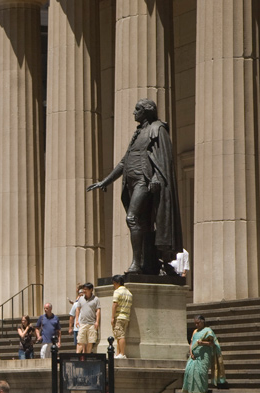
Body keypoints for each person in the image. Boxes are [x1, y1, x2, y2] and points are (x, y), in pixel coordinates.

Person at [87, 98, 183, 275]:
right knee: (143, 223)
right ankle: (149, 262)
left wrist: (155, 177)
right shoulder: (138, 133)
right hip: (131, 182)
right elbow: (124, 162)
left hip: (144, 181)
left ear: (146, 111)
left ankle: (136, 264)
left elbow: (164, 159)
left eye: (137, 109)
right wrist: (105, 181)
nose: (134, 112)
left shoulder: (158, 129)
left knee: (132, 218)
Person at [111, 275, 133, 359]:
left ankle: (122, 354)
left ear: (117, 283)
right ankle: (118, 353)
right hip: (126, 316)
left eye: (114, 283)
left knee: (120, 336)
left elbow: (115, 304)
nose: (113, 285)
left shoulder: (117, 292)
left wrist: (112, 317)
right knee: (118, 335)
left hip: (119, 316)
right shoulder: (129, 293)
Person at [74, 283, 100, 354]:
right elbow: (78, 309)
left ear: (91, 290)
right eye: (83, 289)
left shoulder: (96, 299)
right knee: (80, 341)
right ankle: (77, 355)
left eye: (86, 289)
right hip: (82, 323)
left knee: (90, 342)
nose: (84, 291)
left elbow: (98, 310)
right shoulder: (81, 299)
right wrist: (76, 320)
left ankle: (88, 356)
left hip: (92, 324)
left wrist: (97, 321)